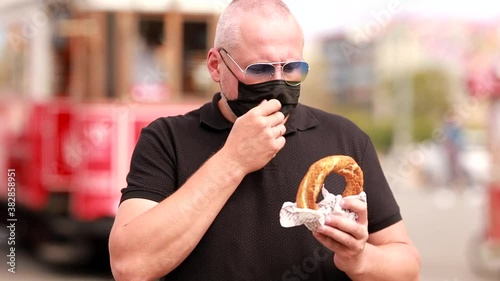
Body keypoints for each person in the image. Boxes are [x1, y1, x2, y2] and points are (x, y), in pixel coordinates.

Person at [108, 1, 421, 280]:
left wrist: (360, 258)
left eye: (292, 68)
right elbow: (130, 265)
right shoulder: (167, 139)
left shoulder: (345, 137)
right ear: (217, 65)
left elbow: (406, 265)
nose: (278, 82)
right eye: (259, 69)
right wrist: (233, 160)